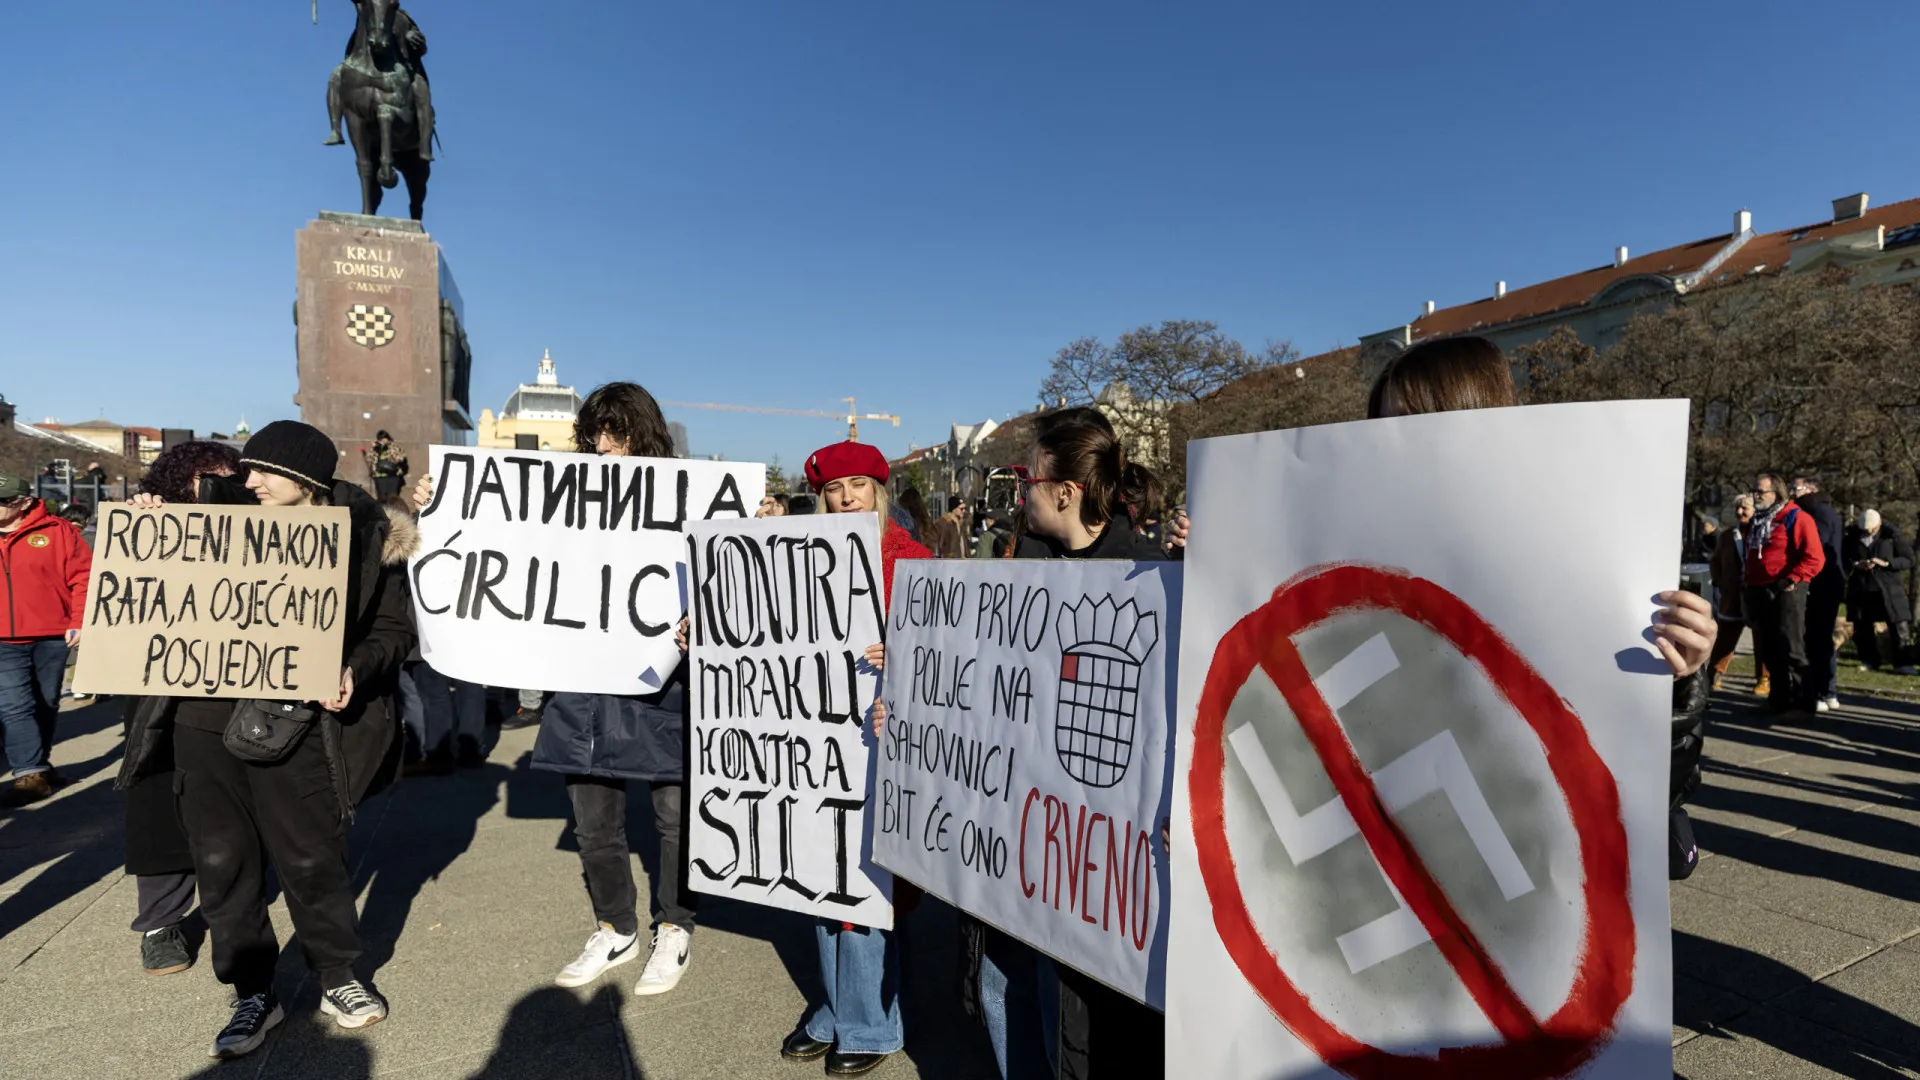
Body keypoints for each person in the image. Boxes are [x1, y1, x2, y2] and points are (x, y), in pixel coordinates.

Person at [1367, 337, 1718, 884]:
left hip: (1528, 863)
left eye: (1412, 424)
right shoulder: (1352, 547)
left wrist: (1678, 681)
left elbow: (1642, 787)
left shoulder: (1578, 545)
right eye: (1380, 430)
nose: (1390, 448)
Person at [118, 420, 415, 1058]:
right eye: (247, 470)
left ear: (304, 479)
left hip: (298, 724)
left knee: (313, 859)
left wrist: (352, 670)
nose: (247, 480)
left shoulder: (365, 536)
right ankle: (252, 991)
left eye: (263, 471)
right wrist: (148, 527)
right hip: (202, 724)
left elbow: (394, 632)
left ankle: (337, 975)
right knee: (222, 865)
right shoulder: (210, 519)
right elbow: (154, 588)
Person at [415, 383, 702, 998]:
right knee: (593, 823)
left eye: (617, 431)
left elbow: (726, 576)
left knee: (675, 820)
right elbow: (503, 541)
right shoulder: (565, 497)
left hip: (663, 688)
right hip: (583, 692)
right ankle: (616, 926)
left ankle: (674, 925)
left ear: (644, 432)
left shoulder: (688, 499)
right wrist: (443, 505)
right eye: (595, 433)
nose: (604, 445)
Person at [779, 440, 930, 1079]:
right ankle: (836, 1008)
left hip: (881, 745)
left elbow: (948, 657)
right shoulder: (798, 560)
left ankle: (871, 1021)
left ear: (879, 491)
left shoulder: (913, 562)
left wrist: (903, 660)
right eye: (833, 490)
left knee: (867, 884)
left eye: (858, 486)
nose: (846, 499)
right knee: (821, 875)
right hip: (816, 744)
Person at [114, 440, 245, 977]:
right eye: (206, 477)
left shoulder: (259, 526)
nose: (219, 487)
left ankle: (234, 900)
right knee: (158, 799)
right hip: (159, 692)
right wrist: (140, 526)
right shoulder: (149, 524)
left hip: (232, 688)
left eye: (228, 477)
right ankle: (161, 923)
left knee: (228, 801)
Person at [0, 469, 90, 807]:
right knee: (14, 705)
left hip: (53, 634)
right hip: (4, 640)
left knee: (46, 703)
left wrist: (80, 621)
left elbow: (84, 577)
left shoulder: (59, 531)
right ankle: (29, 773)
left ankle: (40, 765)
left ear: (23, 503)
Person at [1745, 472, 1826, 715]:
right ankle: (1779, 700)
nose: (1755, 496)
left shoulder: (1796, 517)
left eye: (1761, 491)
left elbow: (1815, 557)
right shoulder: (1759, 520)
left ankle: (1804, 704)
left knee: (1792, 648)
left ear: (1777, 493)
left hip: (1786, 589)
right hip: (1759, 589)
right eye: (1754, 490)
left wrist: (1794, 577)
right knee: (1769, 648)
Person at [1792, 476, 1845, 712]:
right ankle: (1826, 691)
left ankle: (1822, 692)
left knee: (1818, 639)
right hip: (1825, 583)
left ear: (1812, 489)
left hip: (1822, 584)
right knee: (1819, 638)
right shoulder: (1821, 511)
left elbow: (1815, 546)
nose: (1792, 492)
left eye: (1796, 488)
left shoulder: (1818, 513)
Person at [1706, 495, 1767, 694]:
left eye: (1745, 508)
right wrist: (1720, 581)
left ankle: (1764, 679)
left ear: (1755, 510)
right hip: (1732, 593)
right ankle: (1714, 674)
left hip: (1757, 593)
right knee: (1726, 635)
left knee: (1761, 638)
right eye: (1737, 509)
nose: (1740, 512)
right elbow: (1715, 561)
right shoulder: (1727, 536)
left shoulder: (1763, 533)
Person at [1847, 510, 1916, 674]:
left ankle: (1903, 663)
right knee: (1862, 626)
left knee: (1899, 626)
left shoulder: (1892, 537)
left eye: (1872, 529)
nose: (1869, 532)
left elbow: (1909, 559)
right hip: (1862, 587)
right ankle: (1869, 660)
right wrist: (1855, 564)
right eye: (1865, 530)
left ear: (1879, 523)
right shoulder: (1852, 538)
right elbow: (1844, 558)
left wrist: (1886, 563)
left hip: (1889, 587)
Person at [363, 430, 410, 501]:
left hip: (393, 477)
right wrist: (375, 449)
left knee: (392, 499)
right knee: (382, 499)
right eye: (380, 439)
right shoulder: (376, 448)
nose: (382, 441)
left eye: (384, 439)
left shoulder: (394, 447)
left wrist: (386, 448)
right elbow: (369, 459)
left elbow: (400, 458)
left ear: (387, 438)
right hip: (380, 477)